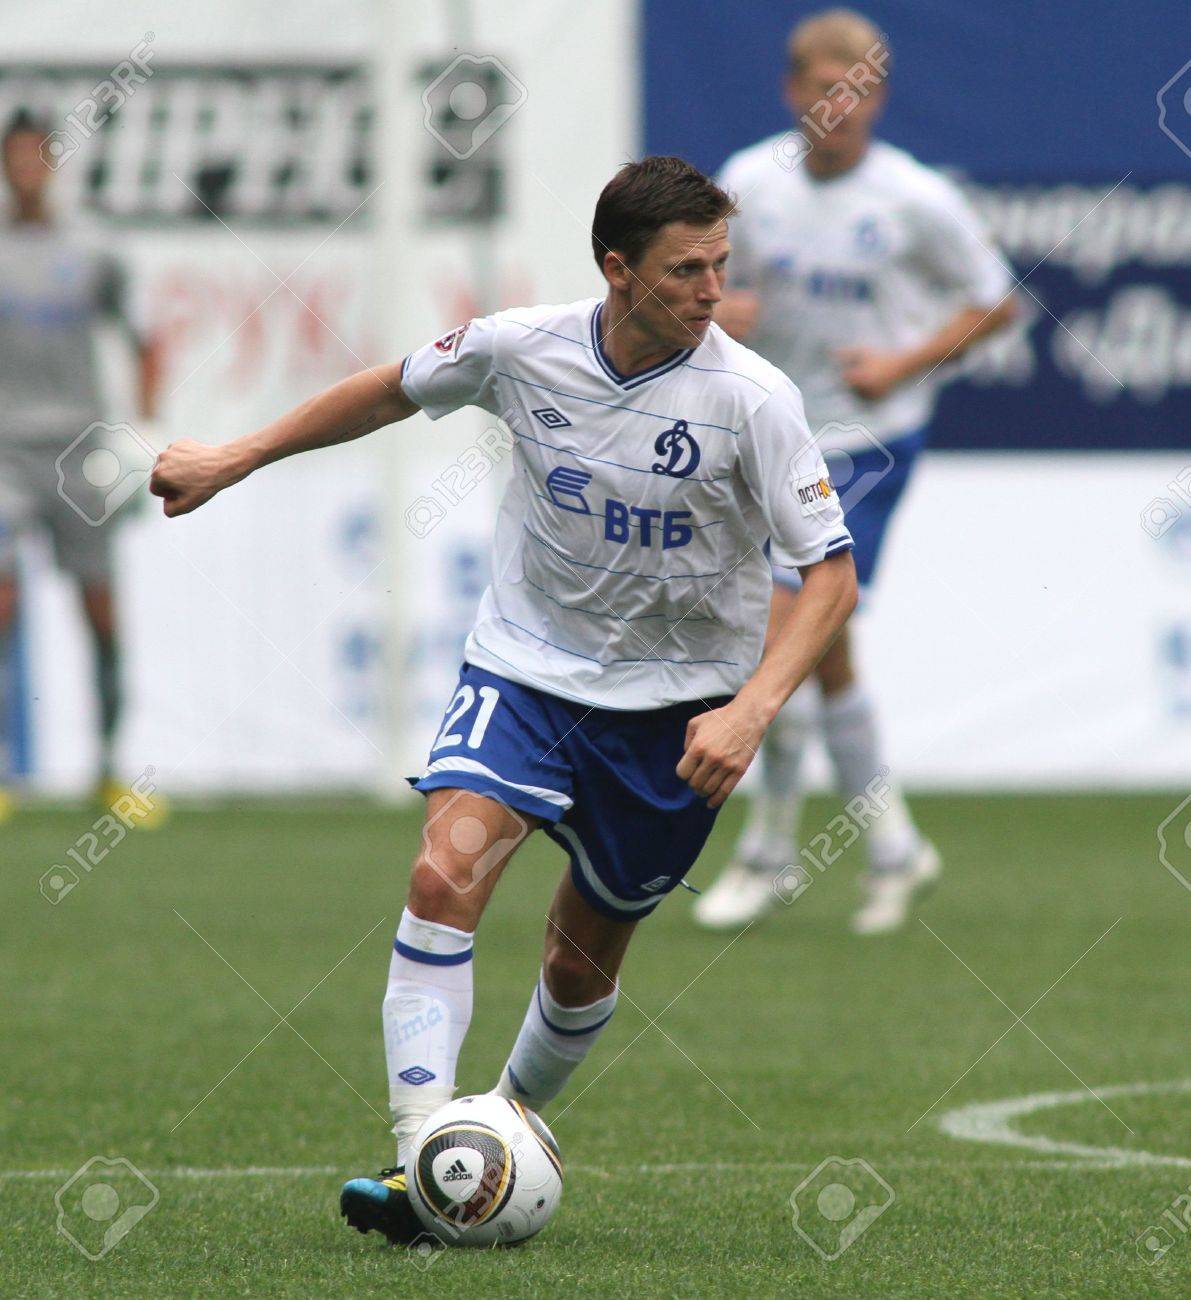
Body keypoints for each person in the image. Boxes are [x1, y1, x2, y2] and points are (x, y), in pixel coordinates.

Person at [149, 155, 858, 1245]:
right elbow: (391, 385)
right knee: (447, 865)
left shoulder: (753, 399)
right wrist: (238, 454)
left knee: (582, 955)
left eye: (722, 264)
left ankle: (509, 1119)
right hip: (526, 668)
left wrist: (754, 706)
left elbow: (830, 576)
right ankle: (418, 1151)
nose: (714, 291)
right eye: (687, 270)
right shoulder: (519, 346)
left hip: (680, 712)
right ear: (615, 270)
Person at [694, 10, 1017, 935]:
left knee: (783, 632)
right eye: (821, 92)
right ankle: (891, 848)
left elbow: (994, 303)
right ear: (794, 92)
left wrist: (905, 363)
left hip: (869, 439)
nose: (839, 110)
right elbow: (697, 284)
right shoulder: (752, 183)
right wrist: (720, 314)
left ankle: (766, 853)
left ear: (874, 96)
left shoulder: (913, 197)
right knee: (820, 653)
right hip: (770, 437)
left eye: (857, 92)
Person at [0, 109, 160, 820]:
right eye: (15, 157)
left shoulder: (94, 250)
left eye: (37, 156)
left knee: (98, 610)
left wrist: (147, 430)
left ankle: (108, 769)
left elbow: (145, 337)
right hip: (4, 449)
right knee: (1, 603)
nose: (26, 168)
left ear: (54, 164)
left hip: (80, 452)